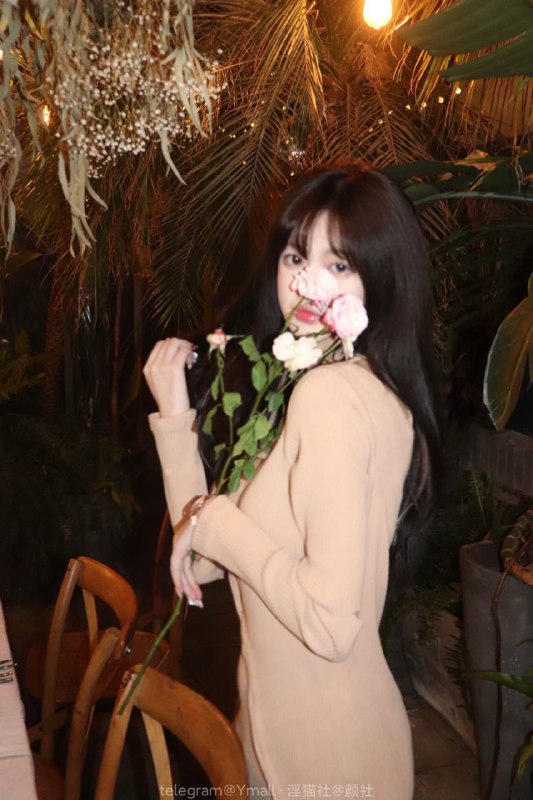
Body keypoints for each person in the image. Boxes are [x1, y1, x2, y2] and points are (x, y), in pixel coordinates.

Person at [143, 163, 443, 799]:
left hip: (326, 764)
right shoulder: (327, 387)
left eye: (340, 265)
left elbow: (329, 625)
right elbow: (208, 561)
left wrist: (212, 521)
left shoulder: (331, 398)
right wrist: (174, 418)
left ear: (381, 277)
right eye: (295, 256)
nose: (307, 281)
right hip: (273, 742)